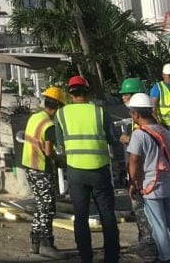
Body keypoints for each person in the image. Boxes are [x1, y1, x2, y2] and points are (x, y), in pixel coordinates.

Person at [54, 74, 122, 263]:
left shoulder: (61, 114)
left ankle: (86, 257)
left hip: (76, 172)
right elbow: (113, 140)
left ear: (70, 93)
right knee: (107, 214)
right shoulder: (100, 112)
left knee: (81, 216)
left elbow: (59, 146)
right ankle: (111, 256)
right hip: (100, 170)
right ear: (88, 92)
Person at [126, 92, 170, 263]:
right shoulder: (165, 131)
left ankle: (165, 256)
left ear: (136, 114)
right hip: (166, 183)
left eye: (131, 113)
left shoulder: (139, 134)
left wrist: (133, 182)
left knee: (158, 225)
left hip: (150, 186)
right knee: (167, 222)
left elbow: (134, 160)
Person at [22, 86, 65, 257]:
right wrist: (61, 161)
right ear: (57, 107)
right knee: (47, 207)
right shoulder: (49, 125)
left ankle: (36, 240)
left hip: (29, 166)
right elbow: (48, 151)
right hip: (41, 168)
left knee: (41, 205)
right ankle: (46, 243)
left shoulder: (35, 117)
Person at [119, 78, 155, 258]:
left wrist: (128, 140)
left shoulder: (142, 121)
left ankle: (148, 243)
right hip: (146, 173)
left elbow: (139, 151)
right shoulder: (137, 119)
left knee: (142, 208)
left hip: (143, 174)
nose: (124, 98)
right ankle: (146, 239)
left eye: (127, 95)